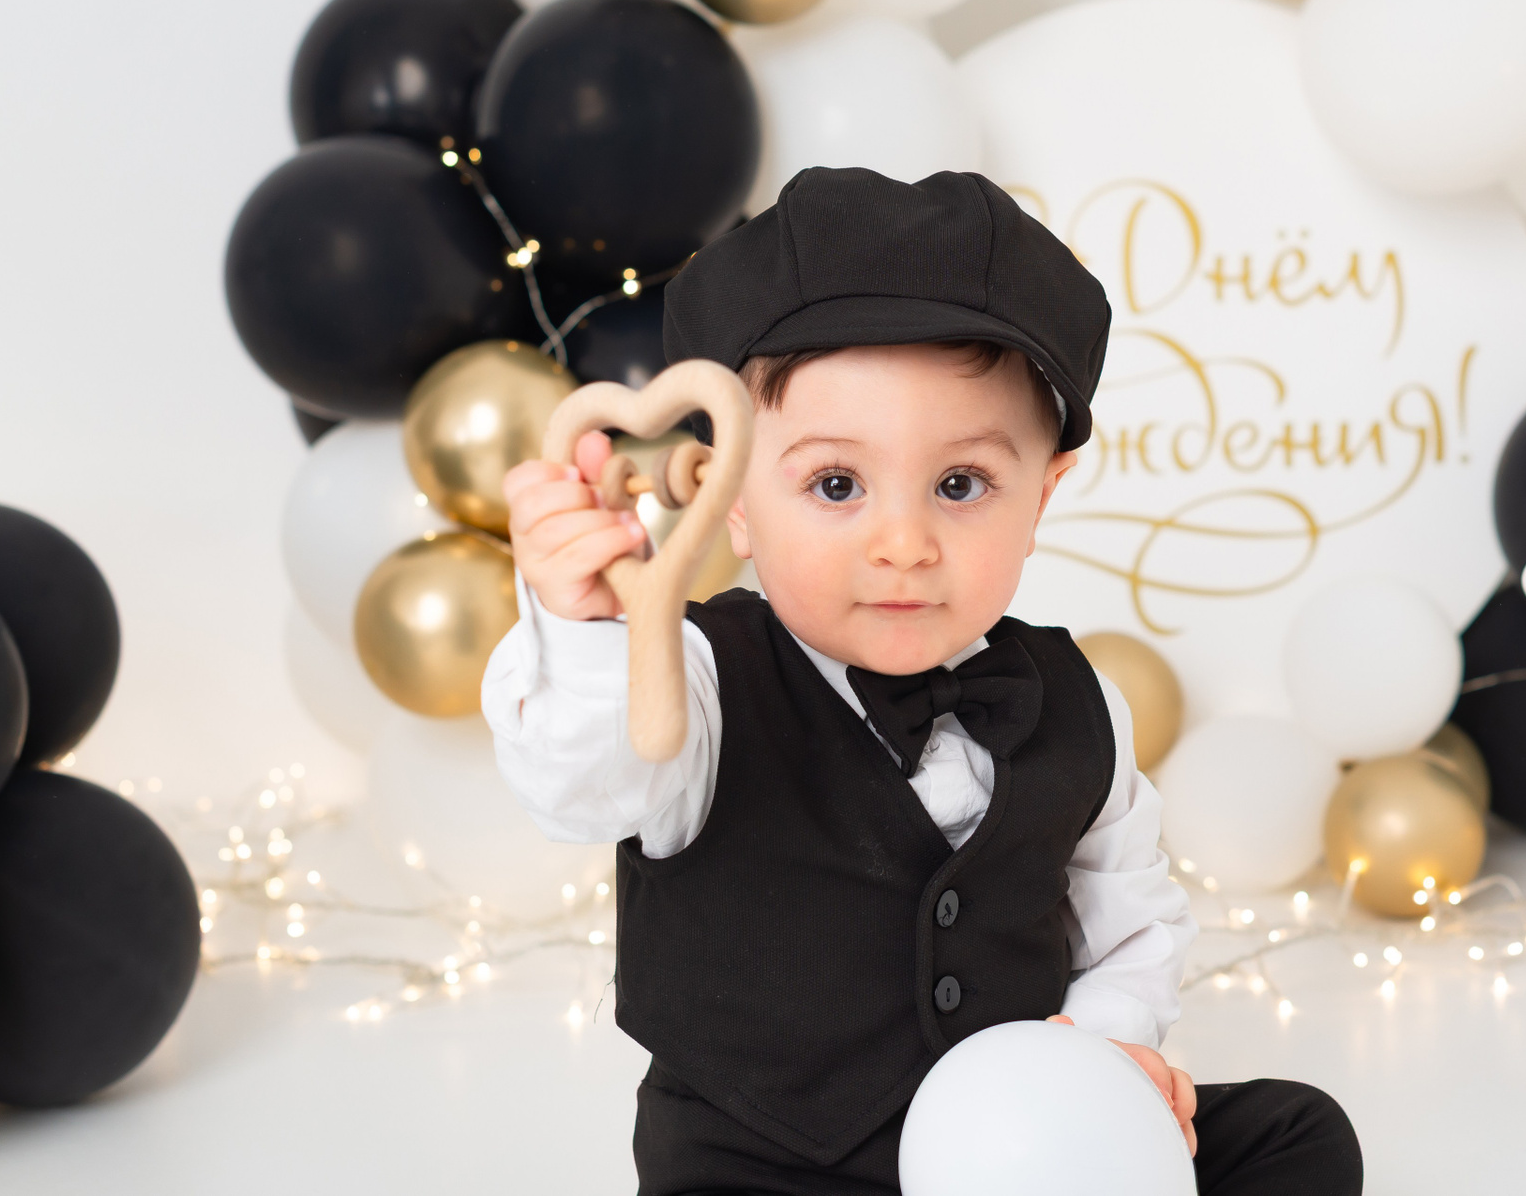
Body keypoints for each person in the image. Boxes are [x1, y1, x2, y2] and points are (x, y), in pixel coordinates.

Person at [483, 168, 1363, 1195]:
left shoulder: (1076, 702)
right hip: (766, 1159)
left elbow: (1130, 919)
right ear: (729, 499)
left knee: (1298, 1136)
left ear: (1042, 497)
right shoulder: (695, 677)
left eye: (960, 484)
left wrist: (1102, 1054)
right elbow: (592, 785)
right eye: (836, 484)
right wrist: (592, 628)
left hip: (1016, 1154)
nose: (903, 542)